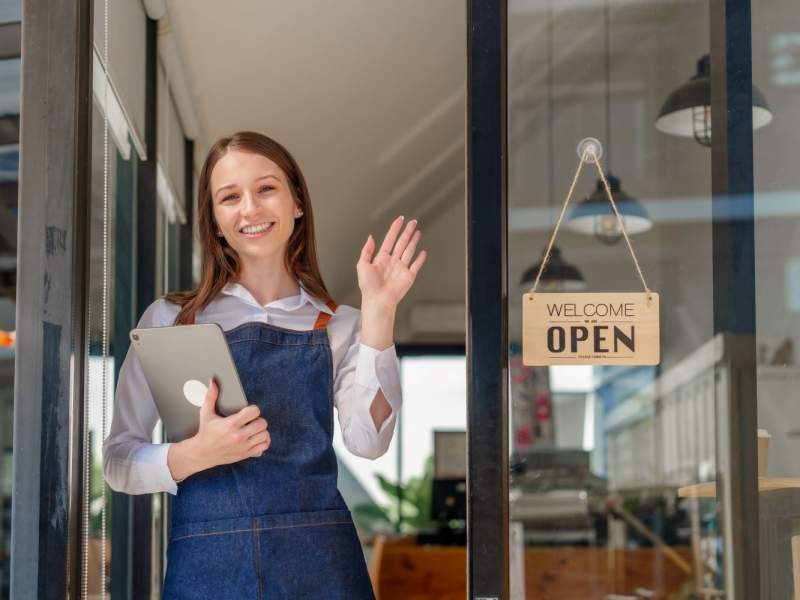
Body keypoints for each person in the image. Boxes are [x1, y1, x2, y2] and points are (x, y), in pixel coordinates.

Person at [103, 131, 426, 599]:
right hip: (206, 566)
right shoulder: (171, 320)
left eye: (266, 189)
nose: (250, 209)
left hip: (320, 562)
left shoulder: (339, 324)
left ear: (297, 202)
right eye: (230, 197)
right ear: (214, 221)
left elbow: (370, 442)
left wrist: (379, 313)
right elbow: (118, 460)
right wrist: (192, 456)